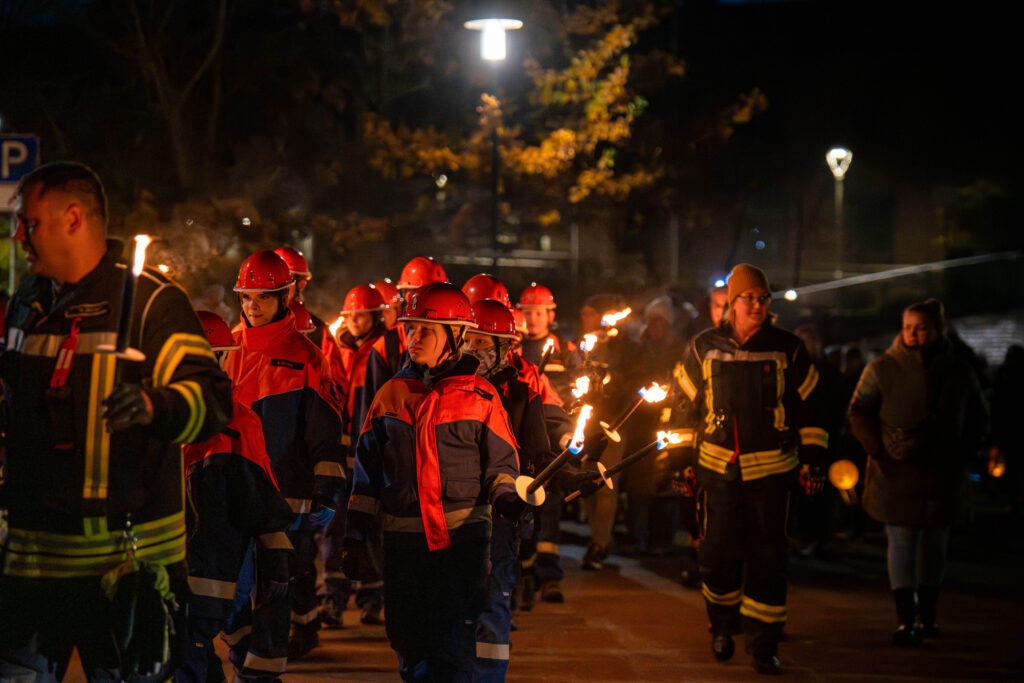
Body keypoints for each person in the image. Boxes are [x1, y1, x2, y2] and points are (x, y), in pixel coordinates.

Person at [0, 161, 232, 681]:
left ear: (73, 218)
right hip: (31, 566)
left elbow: (213, 401)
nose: (18, 237)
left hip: (126, 572)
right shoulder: (26, 303)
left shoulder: (151, 302)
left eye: (28, 223)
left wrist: (156, 406)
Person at [345, 282, 523, 682]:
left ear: (456, 336)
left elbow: (501, 467)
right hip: (404, 547)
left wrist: (507, 499)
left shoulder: (481, 397)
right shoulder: (390, 395)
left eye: (427, 329)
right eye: (411, 328)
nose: (415, 337)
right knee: (409, 644)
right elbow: (366, 478)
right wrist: (354, 536)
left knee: (451, 650)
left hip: (461, 548)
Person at [673, 264, 827, 675]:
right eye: (749, 298)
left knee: (768, 560)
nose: (758, 305)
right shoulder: (703, 347)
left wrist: (814, 459)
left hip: (773, 475)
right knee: (716, 554)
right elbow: (682, 408)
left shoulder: (788, 348)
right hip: (717, 472)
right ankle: (723, 626)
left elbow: (813, 407)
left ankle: (764, 644)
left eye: (763, 298)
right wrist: (677, 462)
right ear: (732, 302)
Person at [222, 250, 347, 673]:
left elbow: (324, 434)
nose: (252, 306)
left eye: (262, 297)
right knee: (229, 597)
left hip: (284, 505)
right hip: (232, 498)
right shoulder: (228, 348)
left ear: (284, 297)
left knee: (274, 599)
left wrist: (327, 489)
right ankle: (243, 657)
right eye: (246, 297)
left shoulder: (307, 356)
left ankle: (261, 676)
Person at [848, 298, 988, 646]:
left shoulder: (959, 371)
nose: (912, 334)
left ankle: (927, 614)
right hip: (895, 471)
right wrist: (879, 451)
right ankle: (905, 618)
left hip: (943, 472)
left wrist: (966, 451)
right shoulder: (883, 367)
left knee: (936, 542)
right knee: (901, 538)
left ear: (939, 328)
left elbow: (979, 414)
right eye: (907, 327)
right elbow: (859, 411)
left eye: (921, 327)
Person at [178, 311, 295, 683]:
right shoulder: (237, 421)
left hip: (206, 571)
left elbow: (259, 501)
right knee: (198, 652)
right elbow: (263, 501)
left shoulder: (229, 423)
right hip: (212, 571)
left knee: (189, 653)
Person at [464, 298, 554, 681]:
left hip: (502, 515)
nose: (473, 349)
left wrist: (570, 474)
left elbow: (539, 450)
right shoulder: (450, 388)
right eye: (469, 339)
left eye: (483, 341)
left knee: (493, 600)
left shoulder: (521, 393)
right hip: (458, 512)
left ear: (505, 347)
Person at [320, 283, 389, 627]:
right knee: (334, 527)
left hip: (365, 454)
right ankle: (333, 596)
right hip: (339, 452)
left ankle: (372, 596)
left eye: (362, 315)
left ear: (375, 317)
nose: (355, 321)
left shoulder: (380, 351)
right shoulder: (340, 352)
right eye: (351, 315)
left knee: (367, 526)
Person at [577, 293, 640, 571]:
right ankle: (597, 536)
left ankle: (599, 545)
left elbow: (635, 380)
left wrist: (614, 380)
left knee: (606, 484)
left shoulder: (625, 346)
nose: (583, 317)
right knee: (585, 483)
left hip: (614, 421)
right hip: (586, 423)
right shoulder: (585, 344)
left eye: (589, 312)